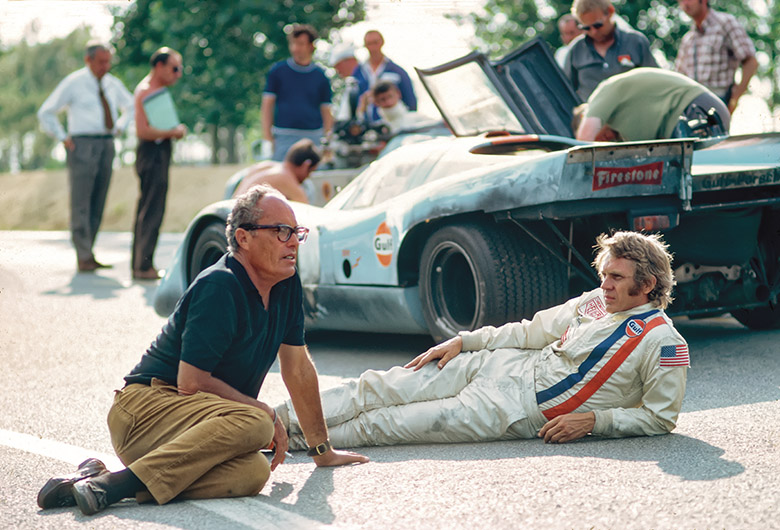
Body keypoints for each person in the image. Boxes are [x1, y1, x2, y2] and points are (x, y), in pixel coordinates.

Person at [36, 186, 368, 515]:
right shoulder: (220, 285)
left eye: (296, 232)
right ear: (243, 238)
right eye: (281, 231)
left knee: (253, 473)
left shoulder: (286, 283)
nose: (293, 241)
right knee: (258, 422)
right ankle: (112, 486)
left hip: (192, 429)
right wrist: (264, 412)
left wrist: (321, 450)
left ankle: (105, 481)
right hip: (144, 413)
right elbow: (190, 383)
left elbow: (297, 368)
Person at [278, 230, 689, 448]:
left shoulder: (664, 342)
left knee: (384, 425)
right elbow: (531, 331)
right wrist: (466, 342)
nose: (605, 284)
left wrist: (595, 421)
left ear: (648, 284)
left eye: (616, 277)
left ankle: (274, 442)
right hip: (497, 363)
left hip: (510, 409)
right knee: (374, 386)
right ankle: (262, 422)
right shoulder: (596, 299)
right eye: (604, 274)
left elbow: (659, 417)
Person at [37, 42, 134, 272]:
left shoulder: (112, 83)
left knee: (99, 198)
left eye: (108, 61)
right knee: (81, 200)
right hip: (82, 144)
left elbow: (130, 106)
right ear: (88, 60)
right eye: (101, 62)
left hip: (106, 143)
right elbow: (46, 111)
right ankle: (83, 254)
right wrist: (62, 137)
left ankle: (89, 250)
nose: (106, 66)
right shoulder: (74, 83)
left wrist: (120, 127)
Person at [131, 47, 188, 281]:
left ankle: (141, 263)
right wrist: (172, 132)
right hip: (152, 152)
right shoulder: (147, 91)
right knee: (152, 209)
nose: (178, 74)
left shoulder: (158, 90)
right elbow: (143, 130)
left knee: (149, 207)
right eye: (175, 68)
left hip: (158, 151)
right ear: (159, 66)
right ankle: (143, 265)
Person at [574, 68, 730, 142]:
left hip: (697, 109)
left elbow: (584, 140)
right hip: (701, 115)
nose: (603, 140)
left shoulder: (602, 94)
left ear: (585, 116)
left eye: (599, 137)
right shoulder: (628, 129)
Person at [261, 24, 333, 162]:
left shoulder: (321, 76)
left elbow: (326, 110)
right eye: (292, 44)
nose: (295, 48)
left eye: (300, 44)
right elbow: (267, 105)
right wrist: (268, 138)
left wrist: (327, 140)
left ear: (311, 46)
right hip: (283, 136)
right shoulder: (278, 71)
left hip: (313, 137)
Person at [674, 0, 758, 114]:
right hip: (692, 106)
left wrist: (734, 100)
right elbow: (678, 79)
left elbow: (750, 62)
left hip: (719, 100)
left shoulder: (726, 23)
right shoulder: (688, 39)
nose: (685, 4)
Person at [563, 0, 657, 101]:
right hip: (591, 115)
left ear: (610, 11)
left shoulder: (636, 42)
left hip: (632, 113)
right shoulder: (575, 51)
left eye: (597, 25)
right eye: (587, 28)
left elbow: (656, 82)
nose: (594, 32)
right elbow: (565, 93)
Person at [353, 30, 417, 123]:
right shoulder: (358, 72)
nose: (372, 47)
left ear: (382, 42)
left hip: (395, 124)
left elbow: (410, 101)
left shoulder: (397, 71)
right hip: (368, 127)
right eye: (369, 44)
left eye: (375, 42)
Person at [233, 139, 322, 203]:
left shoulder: (266, 165)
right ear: (306, 165)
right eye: (310, 172)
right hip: (243, 221)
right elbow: (307, 214)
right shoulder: (286, 179)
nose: (308, 177)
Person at [362, 80, 431, 134]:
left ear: (398, 94)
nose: (388, 102)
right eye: (383, 99)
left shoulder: (419, 119)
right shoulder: (378, 130)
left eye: (390, 96)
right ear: (376, 102)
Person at [329, 43, 361, 122]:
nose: (338, 71)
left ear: (349, 61)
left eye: (338, 66)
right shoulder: (349, 83)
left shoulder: (359, 81)